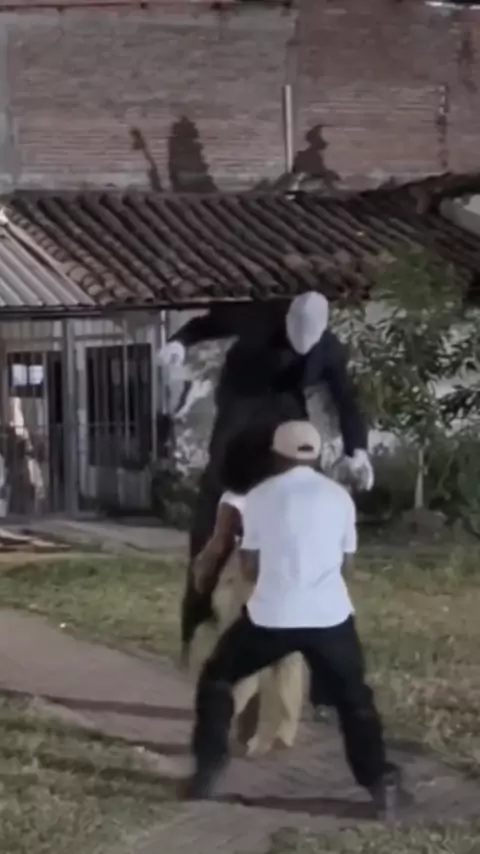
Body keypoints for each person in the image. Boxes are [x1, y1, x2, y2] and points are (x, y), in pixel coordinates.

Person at [185, 420, 408, 820]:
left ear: (276, 455)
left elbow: (250, 567)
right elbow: (347, 566)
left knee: (217, 678)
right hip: (330, 618)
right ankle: (379, 783)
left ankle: (208, 770)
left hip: (270, 617)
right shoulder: (340, 497)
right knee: (355, 701)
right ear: (318, 455)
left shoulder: (260, 496)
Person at [158, 292, 374, 662]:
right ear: (286, 320)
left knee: (305, 498)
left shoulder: (329, 349)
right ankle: (196, 620)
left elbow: (346, 400)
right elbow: (206, 323)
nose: (301, 347)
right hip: (238, 422)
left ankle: (305, 623)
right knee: (216, 514)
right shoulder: (256, 317)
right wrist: (179, 343)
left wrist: (358, 450)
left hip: (287, 420)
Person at [191, 489, 304, 758]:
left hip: (250, 575)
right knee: (287, 656)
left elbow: (220, 542)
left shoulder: (238, 493)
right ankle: (281, 729)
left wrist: (201, 570)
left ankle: (225, 726)